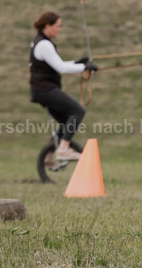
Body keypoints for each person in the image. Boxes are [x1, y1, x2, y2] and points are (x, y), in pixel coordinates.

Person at [29, 11, 98, 161]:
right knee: (78, 111)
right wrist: (84, 67)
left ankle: (47, 157)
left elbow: (57, 64)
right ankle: (63, 149)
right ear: (48, 26)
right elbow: (61, 68)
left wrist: (78, 63)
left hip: (41, 90)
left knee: (67, 121)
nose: (59, 30)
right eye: (57, 26)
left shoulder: (40, 42)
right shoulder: (44, 44)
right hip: (45, 90)